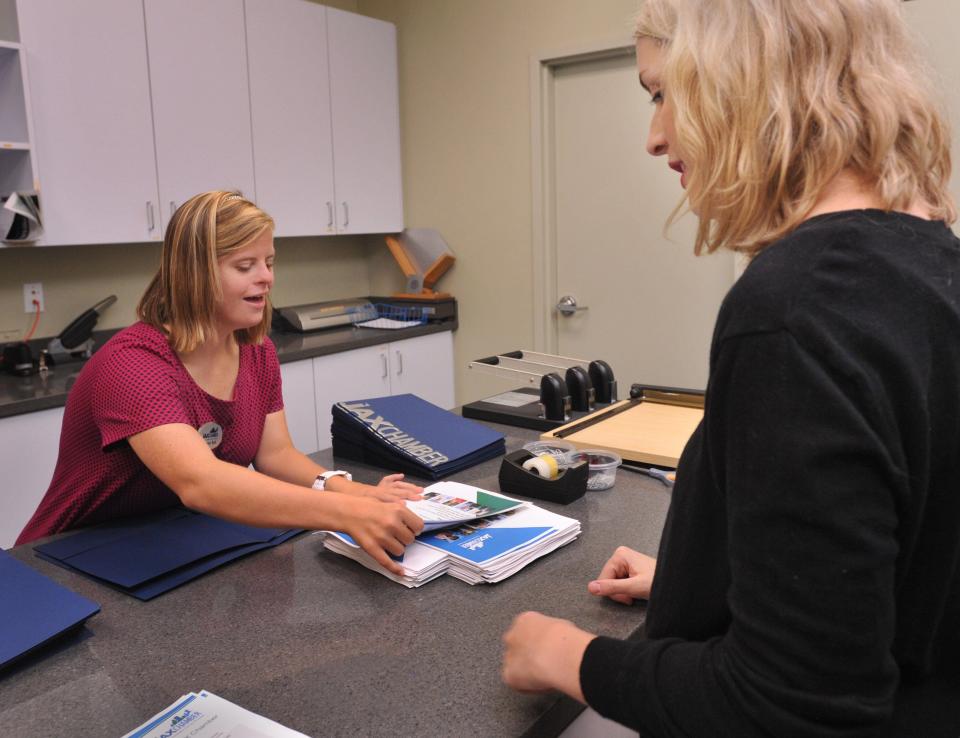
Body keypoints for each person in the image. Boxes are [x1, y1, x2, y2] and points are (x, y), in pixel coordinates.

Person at [501, 0, 960, 734]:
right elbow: (908, 560)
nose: (655, 137)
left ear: (739, 77)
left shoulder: (793, 311)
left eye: (660, 92)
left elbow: (790, 709)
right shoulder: (932, 266)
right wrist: (708, 583)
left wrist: (568, 657)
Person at [17, 191, 424, 574]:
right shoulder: (133, 363)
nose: (266, 277)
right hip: (67, 556)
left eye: (269, 261)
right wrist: (346, 514)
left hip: (166, 540)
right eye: (245, 266)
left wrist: (351, 492)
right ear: (192, 274)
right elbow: (202, 483)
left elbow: (275, 455)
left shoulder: (256, 350)